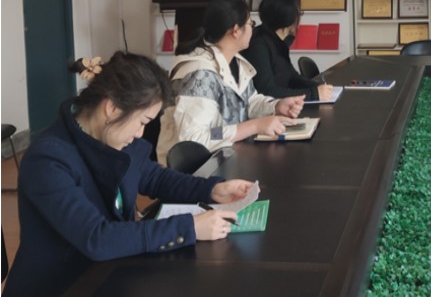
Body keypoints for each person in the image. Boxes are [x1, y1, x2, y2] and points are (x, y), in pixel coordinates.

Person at [4, 52, 253, 296]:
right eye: (142, 121)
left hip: (107, 272)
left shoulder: (114, 137)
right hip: (62, 286)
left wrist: (210, 189)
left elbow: (155, 177)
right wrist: (189, 227)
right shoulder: (47, 160)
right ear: (112, 108)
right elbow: (97, 238)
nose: (140, 134)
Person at [156, 0, 305, 165]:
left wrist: (276, 106)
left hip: (227, 157)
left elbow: (249, 102)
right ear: (236, 30)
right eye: (250, 24)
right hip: (196, 169)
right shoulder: (200, 75)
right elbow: (194, 137)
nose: (253, 29)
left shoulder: (235, 62)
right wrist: (253, 126)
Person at [241, 0, 334, 102]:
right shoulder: (258, 45)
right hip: (268, 108)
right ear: (290, 19)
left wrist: (316, 87)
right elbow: (267, 91)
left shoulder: (277, 40)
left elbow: (290, 76)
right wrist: (313, 94)